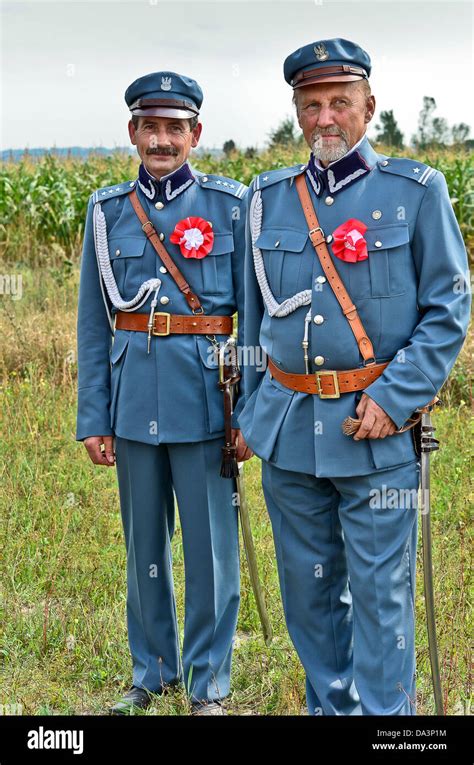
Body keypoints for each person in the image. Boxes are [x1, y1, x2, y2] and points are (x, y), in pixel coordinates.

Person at [238, 38, 470, 715]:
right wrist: (254, 416)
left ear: (369, 107)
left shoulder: (417, 191)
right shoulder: (265, 199)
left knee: (380, 594)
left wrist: (395, 399)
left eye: (340, 101)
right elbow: (252, 315)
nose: (325, 117)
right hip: (290, 436)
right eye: (311, 105)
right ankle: (330, 707)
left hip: (373, 432)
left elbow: (448, 307)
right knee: (307, 597)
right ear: (297, 114)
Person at [76, 70, 251, 715]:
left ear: (195, 135)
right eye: (150, 127)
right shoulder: (106, 213)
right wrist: (94, 414)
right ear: (132, 132)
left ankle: (208, 684)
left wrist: (251, 411)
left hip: (208, 402)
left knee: (210, 554)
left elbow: (254, 320)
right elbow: (93, 323)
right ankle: (152, 672)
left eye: (175, 128)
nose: (161, 140)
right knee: (143, 548)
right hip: (132, 404)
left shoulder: (231, 207)